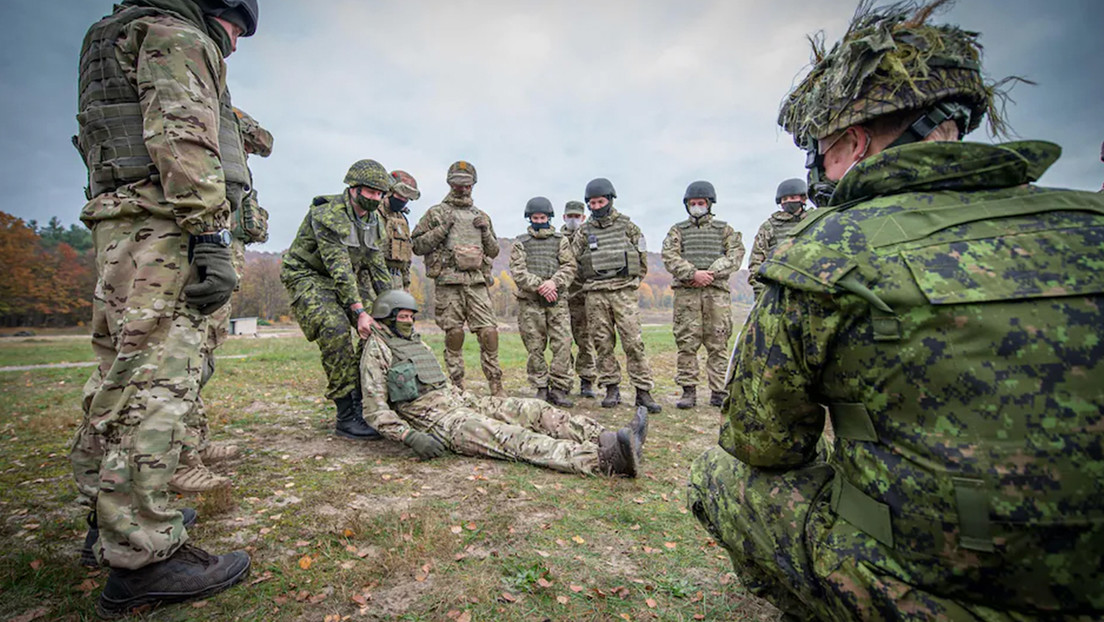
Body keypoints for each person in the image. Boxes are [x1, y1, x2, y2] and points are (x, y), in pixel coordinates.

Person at [688, 2, 1104, 620]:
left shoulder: (825, 250)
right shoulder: (1089, 223)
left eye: (821, 151)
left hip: (923, 592)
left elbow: (764, 444)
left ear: (853, 143)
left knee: (718, 473)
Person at [68, 0, 258, 616]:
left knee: (120, 381)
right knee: (157, 386)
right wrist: (209, 234)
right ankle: (145, 558)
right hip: (163, 226)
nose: (232, 44)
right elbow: (181, 136)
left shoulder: (111, 32)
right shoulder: (175, 35)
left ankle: (109, 523)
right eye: (234, 29)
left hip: (121, 225)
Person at [360, 290, 646, 477]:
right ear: (387, 316)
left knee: (532, 408)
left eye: (412, 316)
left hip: (458, 401)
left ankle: (607, 437)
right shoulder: (377, 349)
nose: (409, 321)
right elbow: (375, 411)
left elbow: (440, 383)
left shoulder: (415, 342)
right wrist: (410, 436)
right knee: (511, 436)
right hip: (435, 420)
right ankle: (604, 460)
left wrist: (465, 400)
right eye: (403, 317)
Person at [171, 105, 274, 494]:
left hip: (221, 259)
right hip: (201, 257)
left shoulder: (227, 152)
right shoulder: (200, 145)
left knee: (204, 357)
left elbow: (265, 143)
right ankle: (179, 459)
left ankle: (193, 440)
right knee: (183, 360)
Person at [281, 159, 394, 441]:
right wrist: (358, 312)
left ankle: (363, 400)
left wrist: (394, 306)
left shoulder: (374, 221)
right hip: (308, 275)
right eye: (370, 192)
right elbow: (339, 266)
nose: (376, 198)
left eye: (381, 194)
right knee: (335, 328)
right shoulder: (327, 213)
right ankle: (346, 414)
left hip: (342, 278)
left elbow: (376, 265)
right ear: (353, 188)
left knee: (378, 329)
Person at [410, 161, 505, 396]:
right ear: (450, 183)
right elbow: (417, 245)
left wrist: (484, 230)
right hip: (448, 283)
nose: (463, 189)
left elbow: (493, 251)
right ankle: (456, 384)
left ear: (473, 184)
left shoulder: (481, 216)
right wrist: (442, 229)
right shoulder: (436, 213)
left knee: (489, 333)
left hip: (477, 283)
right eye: (458, 183)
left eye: (467, 184)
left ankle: (496, 384)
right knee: (454, 334)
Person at [570, 178, 661, 413]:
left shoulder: (628, 227)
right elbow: (572, 263)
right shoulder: (583, 232)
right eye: (592, 203)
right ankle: (611, 387)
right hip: (595, 294)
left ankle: (643, 391)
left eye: (600, 201)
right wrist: (587, 285)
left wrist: (630, 283)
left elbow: (641, 258)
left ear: (610, 200)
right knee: (602, 343)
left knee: (633, 342)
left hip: (622, 292)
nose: (596, 206)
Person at [660, 181, 744, 409]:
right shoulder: (677, 230)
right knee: (686, 343)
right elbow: (669, 256)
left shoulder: (724, 230)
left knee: (718, 344)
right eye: (693, 203)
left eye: (701, 203)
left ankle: (718, 391)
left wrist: (711, 273)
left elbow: (735, 255)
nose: (697, 207)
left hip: (716, 295)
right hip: (687, 295)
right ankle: (688, 391)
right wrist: (692, 273)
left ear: (709, 204)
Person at [509, 197, 577, 407]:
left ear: (549, 217)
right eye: (535, 218)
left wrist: (553, 284)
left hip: (557, 301)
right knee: (534, 346)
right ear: (529, 218)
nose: (539, 221)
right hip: (530, 302)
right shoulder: (521, 242)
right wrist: (540, 285)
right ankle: (540, 387)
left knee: (563, 344)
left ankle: (559, 387)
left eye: (543, 217)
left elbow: (569, 266)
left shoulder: (560, 241)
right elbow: (518, 271)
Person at [746, 178, 808, 299]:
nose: (788, 202)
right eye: (784, 199)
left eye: (793, 198)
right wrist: (761, 289)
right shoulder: (769, 226)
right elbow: (756, 261)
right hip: (777, 290)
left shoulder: (815, 222)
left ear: (803, 199)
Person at [561, 200, 597, 398]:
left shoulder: (590, 237)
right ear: (564, 217)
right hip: (562, 298)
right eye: (570, 216)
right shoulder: (557, 239)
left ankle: (587, 380)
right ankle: (563, 380)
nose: (573, 220)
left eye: (577, 216)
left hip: (583, 296)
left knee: (585, 341)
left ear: (583, 218)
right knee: (562, 342)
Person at [382, 169, 420, 290]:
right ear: (389, 191)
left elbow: (405, 261)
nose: (403, 200)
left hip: (395, 283)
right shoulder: (372, 214)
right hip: (370, 283)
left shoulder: (402, 219)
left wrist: (406, 287)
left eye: (407, 198)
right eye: (400, 195)